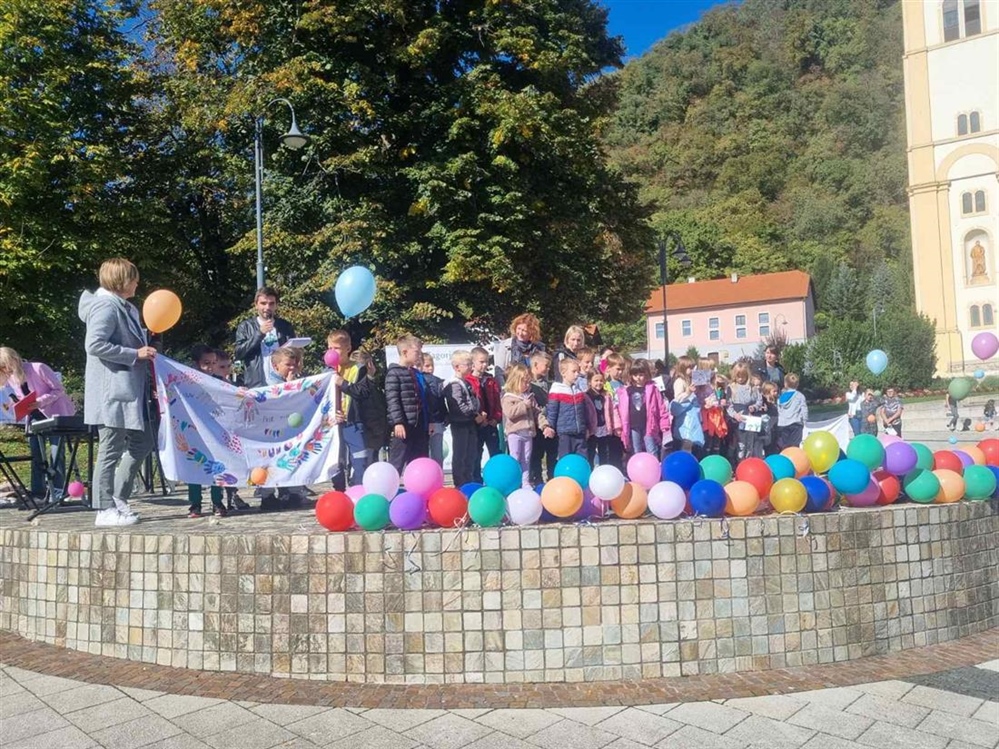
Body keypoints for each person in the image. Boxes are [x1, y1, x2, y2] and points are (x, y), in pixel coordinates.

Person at [78, 258, 157, 526]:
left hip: (129, 392)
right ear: (121, 280)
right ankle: (103, 508)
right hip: (111, 391)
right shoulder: (105, 305)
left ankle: (118, 497)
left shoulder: (127, 308)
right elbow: (95, 344)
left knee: (144, 441)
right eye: (134, 277)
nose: (137, 282)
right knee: (110, 449)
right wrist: (135, 354)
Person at [0, 347, 76, 502]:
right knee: (36, 454)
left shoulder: (38, 368)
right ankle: (38, 492)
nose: (6, 371)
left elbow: (59, 389)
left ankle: (58, 491)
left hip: (55, 414)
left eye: (5, 366)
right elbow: (22, 396)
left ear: (13, 360)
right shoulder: (12, 378)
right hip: (34, 417)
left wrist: (39, 402)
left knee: (56, 454)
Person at [259, 346, 307, 511]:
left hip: (290, 433)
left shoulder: (297, 381)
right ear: (276, 366)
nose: (292, 368)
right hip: (271, 433)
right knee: (269, 463)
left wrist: (293, 385)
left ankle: (293, 492)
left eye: (294, 364)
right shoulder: (267, 384)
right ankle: (268, 496)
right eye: (288, 364)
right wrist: (288, 387)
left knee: (292, 460)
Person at [325, 330, 372, 489]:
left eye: (337, 348)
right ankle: (339, 491)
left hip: (353, 421)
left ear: (348, 348)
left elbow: (363, 392)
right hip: (334, 423)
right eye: (330, 348)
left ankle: (358, 489)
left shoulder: (359, 369)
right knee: (337, 460)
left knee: (360, 459)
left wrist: (342, 383)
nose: (332, 352)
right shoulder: (326, 372)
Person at [187, 345, 226, 517]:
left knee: (217, 464)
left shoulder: (220, 381)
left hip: (215, 430)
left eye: (213, 363)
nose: (210, 367)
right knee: (194, 465)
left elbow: (232, 396)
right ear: (196, 364)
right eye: (206, 363)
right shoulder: (187, 381)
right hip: (195, 430)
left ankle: (217, 501)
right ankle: (195, 504)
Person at [234, 286, 295, 389]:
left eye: (271, 304)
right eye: (263, 303)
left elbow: (294, 354)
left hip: (282, 384)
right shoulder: (246, 326)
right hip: (257, 385)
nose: (267, 307)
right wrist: (259, 333)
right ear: (256, 305)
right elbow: (239, 353)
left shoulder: (285, 326)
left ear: (276, 305)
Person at [385, 335, 429, 472]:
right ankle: (388, 489)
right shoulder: (394, 373)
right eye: (417, 352)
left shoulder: (415, 373)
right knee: (397, 461)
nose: (419, 355)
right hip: (404, 425)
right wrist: (398, 422)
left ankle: (417, 490)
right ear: (404, 352)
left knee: (419, 461)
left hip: (418, 424)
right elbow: (393, 400)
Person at [617, 358, 670, 459]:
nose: (638, 378)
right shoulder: (626, 391)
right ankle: (637, 472)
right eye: (635, 375)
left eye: (641, 375)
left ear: (646, 374)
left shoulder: (653, 389)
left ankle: (655, 470)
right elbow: (621, 409)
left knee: (652, 449)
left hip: (649, 425)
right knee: (636, 450)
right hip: (632, 425)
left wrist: (664, 424)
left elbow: (661, 407)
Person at [501, 363, 543, 488]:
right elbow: (510, 413)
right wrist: (524, 405)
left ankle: (525, 481)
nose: (527, 385)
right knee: (515, 457)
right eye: (524, 382)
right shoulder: (508, 397)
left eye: (528, 382)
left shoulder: (529, 397)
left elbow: (537, 412)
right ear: (515, 381)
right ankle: (514, 481)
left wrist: (544, 425)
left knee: (526, 458)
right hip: (515, 433)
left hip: (528, 433)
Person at [444, 351, 481, 488]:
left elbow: (473, 401)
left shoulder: (466, 383)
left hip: (470, 423)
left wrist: (477, 411)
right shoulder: (454, 384)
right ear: (457, 367)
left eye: (471, 364)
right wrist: (474, 414)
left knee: (471, 454)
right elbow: (459, 405)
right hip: (460, 423)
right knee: (460, 454)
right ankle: (460, 483)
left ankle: (469, 480)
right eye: (468, 364)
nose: (471, 367)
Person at [467, 346, 503, 481]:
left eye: (486, 362)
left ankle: (498, 478)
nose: (485, 365)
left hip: (491, 423)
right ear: (473, 362)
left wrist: (496, 418)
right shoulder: (468, 380)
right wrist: (478, 418)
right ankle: (476, 479)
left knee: (495, 451)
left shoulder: (491, 380)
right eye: (481, 362)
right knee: (476, 453)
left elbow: (498, 401)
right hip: (477, 424)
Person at [546, 358, 589, 459]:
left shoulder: (578, 390)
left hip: (580, 433)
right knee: (565, 458)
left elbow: (584, 412)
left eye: (578, 371)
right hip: (565, 433)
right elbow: (552, 411)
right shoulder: (556, 390)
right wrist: (550, 426)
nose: (577, 374)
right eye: (573, 371)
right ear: (563, 373)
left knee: (582, 458)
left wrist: (586, 427)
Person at [351, 351, 387, 464]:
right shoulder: (367, 386)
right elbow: (373, 409)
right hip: (370, 431)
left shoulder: (351, 386)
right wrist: (378, 429)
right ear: (369, 365)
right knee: (368, 463)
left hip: (365, 430)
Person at [528, 351, 557, 484]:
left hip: (550, 424)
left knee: (552, 453)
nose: (548, 368)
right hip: (535, 425)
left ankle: (552, 477)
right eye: (546, 365)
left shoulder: (550, 385)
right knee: (536, 454)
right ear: (535, 364)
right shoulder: (527, 385)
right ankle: (537, 479)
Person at [493, 313, 546, 384]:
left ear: (531, 332)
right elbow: (499, 371)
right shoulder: (505, 345)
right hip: (511, 387)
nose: (520, 333)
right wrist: (503, 388)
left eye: (524, 331)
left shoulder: (539, 348)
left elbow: (543, 373)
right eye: (519, 329)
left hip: (533, 387)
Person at [727, 362, 764, 461]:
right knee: (741, 443)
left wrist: (754, 407)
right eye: (738, 376)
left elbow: (759, 401)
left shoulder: (753, 388)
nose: (740, 379)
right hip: (738, 419)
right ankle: (739, 462)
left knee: (750, 443)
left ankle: (748, 461)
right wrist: (734, 415)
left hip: (751, 418)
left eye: (743, 376)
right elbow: (728, 405)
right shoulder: (731, 387)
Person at [670, 356, 704, 456]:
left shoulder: (689, 380)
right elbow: (677, 399)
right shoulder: (680, 381)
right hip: (685, 419)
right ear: (683, 368)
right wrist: (688, 392)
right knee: (686, 446)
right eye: (690, 368)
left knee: (694, 446)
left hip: (693, 418)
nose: (693, 370)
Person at [420, 353, 447, 468]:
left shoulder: (437, 381)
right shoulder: (430, 381)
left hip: (433, 420)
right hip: (433, 420)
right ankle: (437, 477)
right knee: (436, 454)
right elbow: (433, 402)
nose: (430, 368)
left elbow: (441, 401)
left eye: (432, 365)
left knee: (432, 453)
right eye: (427, 365)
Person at [585, 370, 614, 468]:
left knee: (604, 452)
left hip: (603, 427)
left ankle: (604, 470)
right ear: (589, 382)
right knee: (591, 452)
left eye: (601, 380)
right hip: (592, 429)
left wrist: (610, 426)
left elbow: (610, 411)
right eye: (596, 380)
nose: (599, 383)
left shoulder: (606, 395)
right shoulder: (586, 396)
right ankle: (590, 472)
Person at [776, 373, 808, 449]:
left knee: (785, 446)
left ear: (785, 384)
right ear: (797, 384)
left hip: (782, 424)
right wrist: (805, 420)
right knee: (795, 446)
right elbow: (804, 409)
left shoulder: (780, 397)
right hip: (795, 424)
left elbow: (779, 410)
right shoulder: (799, 396)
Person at [761, 381, 780, 454]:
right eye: (774, 391)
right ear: (767, 392)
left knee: (774, 443)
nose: (776, 393)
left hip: (774, 426)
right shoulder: (764, 401)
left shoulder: (775, 401)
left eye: (776, 391)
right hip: (767, 427)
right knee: (768, 445)